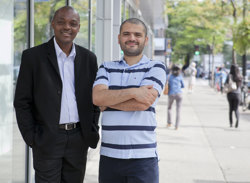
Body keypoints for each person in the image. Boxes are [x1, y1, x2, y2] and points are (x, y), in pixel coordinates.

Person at [14, 6, 100, 183]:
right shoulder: (33, 57)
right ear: (53, 24)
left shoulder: (88, 58)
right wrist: (33, 137)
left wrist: (91, 129)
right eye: (61, 22)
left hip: (78, 139)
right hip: (47, 139)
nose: (67, 27)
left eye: (73, 23)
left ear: (78, 27)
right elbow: (22, 102)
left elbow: (94, 100)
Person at [92, 18, 166, 183]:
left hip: (143, 159)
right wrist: (134, 91)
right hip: (109, 157)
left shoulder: (156, 67)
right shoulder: (106, 67)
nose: (131, 38)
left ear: (145, 40)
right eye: (126, 34)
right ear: (119, 39)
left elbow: (143, 103)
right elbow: (97, 98)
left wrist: (108, 100)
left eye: (137, 34)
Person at [167, 65, 185, 130]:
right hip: (179, 94)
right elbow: (183, 85)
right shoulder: (180, 76)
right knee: (178, 110)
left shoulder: (169, 76)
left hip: (171, 94)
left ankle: (169, 123)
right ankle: (177, 126)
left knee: (169, 108)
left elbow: (165, 83)